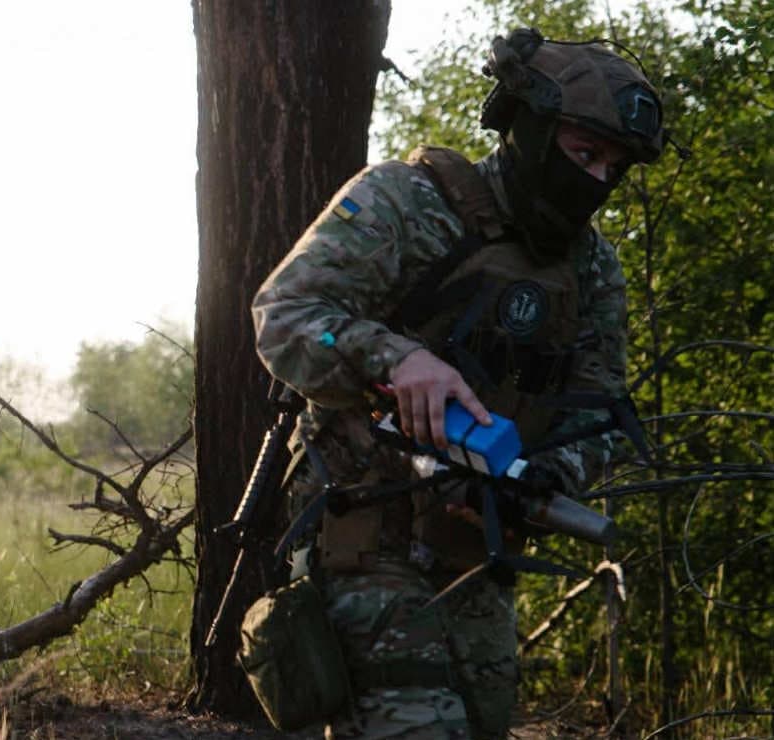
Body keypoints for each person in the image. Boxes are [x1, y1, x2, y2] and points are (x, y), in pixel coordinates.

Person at [248, 29, 665, 739]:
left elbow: (600, 412)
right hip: (367, 539)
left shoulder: (593, 269)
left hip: (479, 557)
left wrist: (544, 477)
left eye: (613, 167)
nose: (597, 180)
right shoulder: (406, 203)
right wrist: (393, 359)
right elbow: (287, 317)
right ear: (531, 130)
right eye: (583, 153)